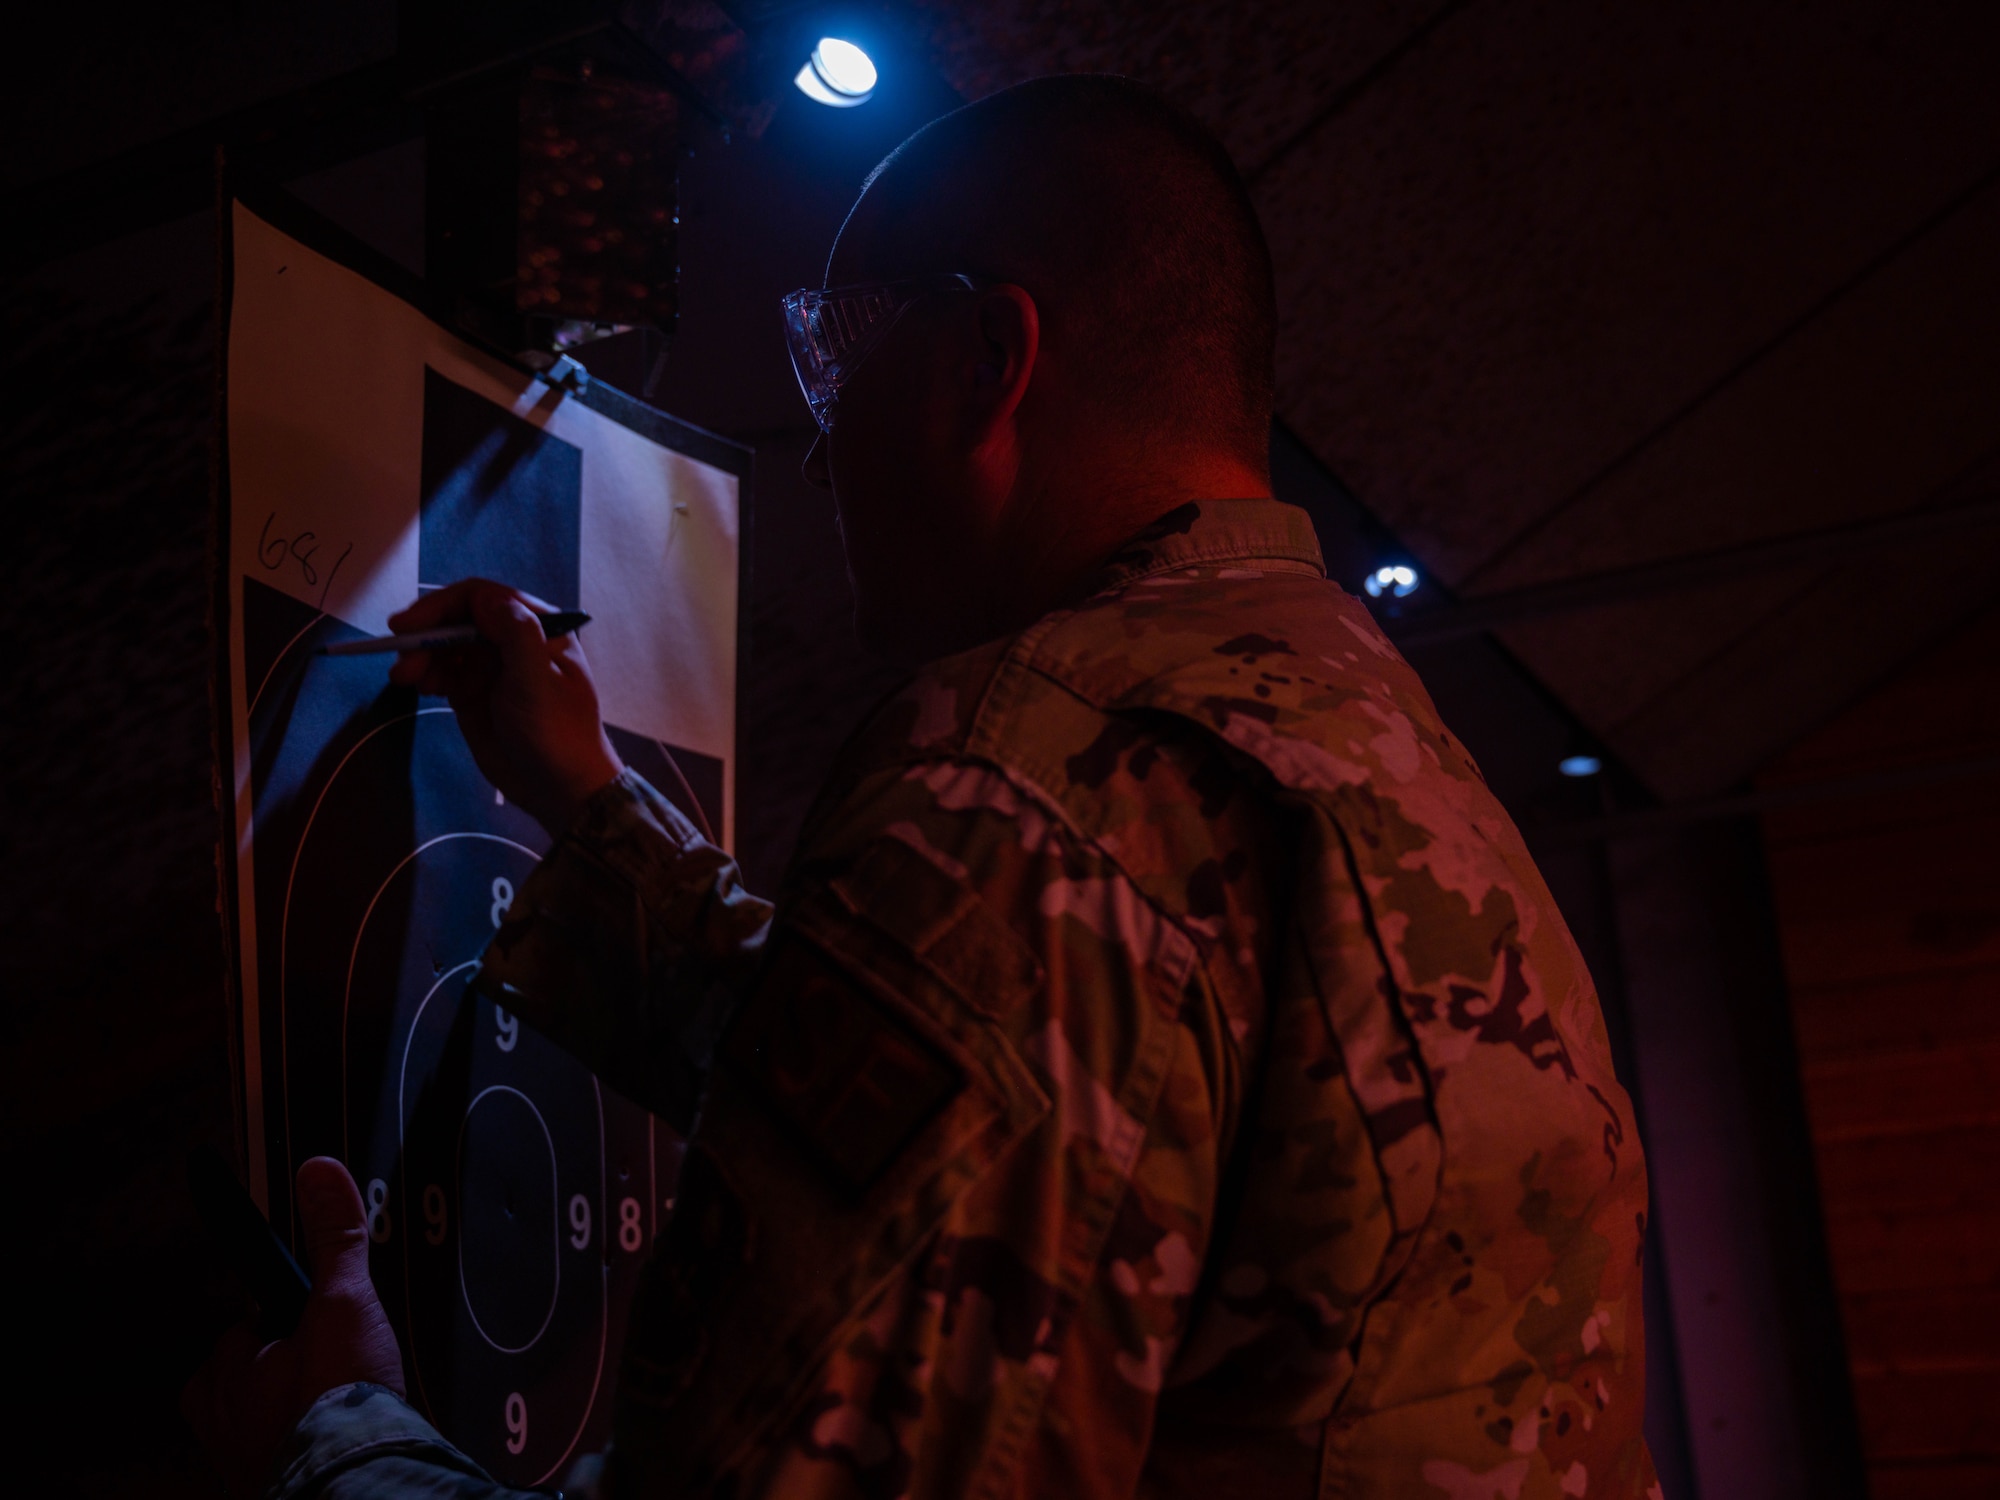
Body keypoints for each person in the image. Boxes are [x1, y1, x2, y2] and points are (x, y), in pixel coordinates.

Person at [186, 74, 1658, 1499]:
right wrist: (592, 811)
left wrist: (332, 1443)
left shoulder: (1032, 775)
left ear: (984, 364)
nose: (824, 459)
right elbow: (1007, 1109)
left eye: (836, 361)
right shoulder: (1389, 756)